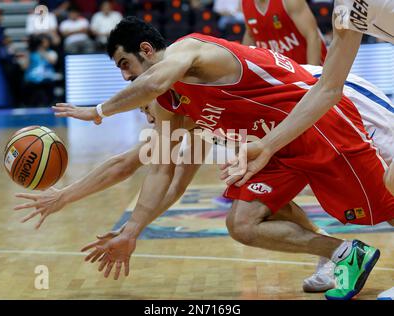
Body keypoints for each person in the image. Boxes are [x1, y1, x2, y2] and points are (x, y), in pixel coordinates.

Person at [51, 17, 394, 300]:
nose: (125, 76)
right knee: (242, 222)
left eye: (125, 64)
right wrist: (132, 230)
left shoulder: (191, 50)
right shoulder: (174, 104)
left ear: (146, 50)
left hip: (320, 111)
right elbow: (161, 169)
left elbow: (153, 83)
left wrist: (97, 111)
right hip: (272, 145)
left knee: (385, 201)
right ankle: (340, 254)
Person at [224, 0, 394, 196]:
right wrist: (266, 145)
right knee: (391, 182)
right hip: (300, 81)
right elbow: (328, 89)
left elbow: (313, 36)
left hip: (304, 69)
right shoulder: (343, 9)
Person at [241, 0, 327, 65]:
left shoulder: (289, 1)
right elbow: (250, 34)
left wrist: (311, 76)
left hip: (306, 67)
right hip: (280, 74)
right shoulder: (245, 3)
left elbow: (312, 35)